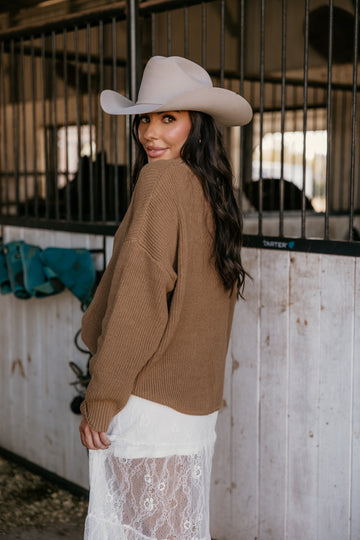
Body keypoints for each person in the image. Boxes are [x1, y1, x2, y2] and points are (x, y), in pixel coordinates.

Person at [79, 55, 252, 540]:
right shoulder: (213, 193)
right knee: (174, 531)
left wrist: (102, 395)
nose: (150, 134)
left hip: (149, 398)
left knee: (139, 531)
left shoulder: (160, 181)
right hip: (195, 408)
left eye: (168, 119)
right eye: (145, 120)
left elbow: (140, 298)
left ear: (197, 127)